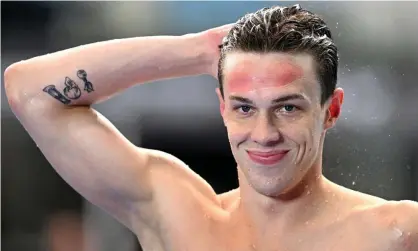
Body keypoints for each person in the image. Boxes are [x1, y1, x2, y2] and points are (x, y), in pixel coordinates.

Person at [4, 4, 418, 251]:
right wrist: (197, 50)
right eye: (243, 108)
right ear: (222, 108)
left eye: (287, 108)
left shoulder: (395, 233)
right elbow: (28, 91)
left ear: (332, 110)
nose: (263, 133)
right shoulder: (178, 214)